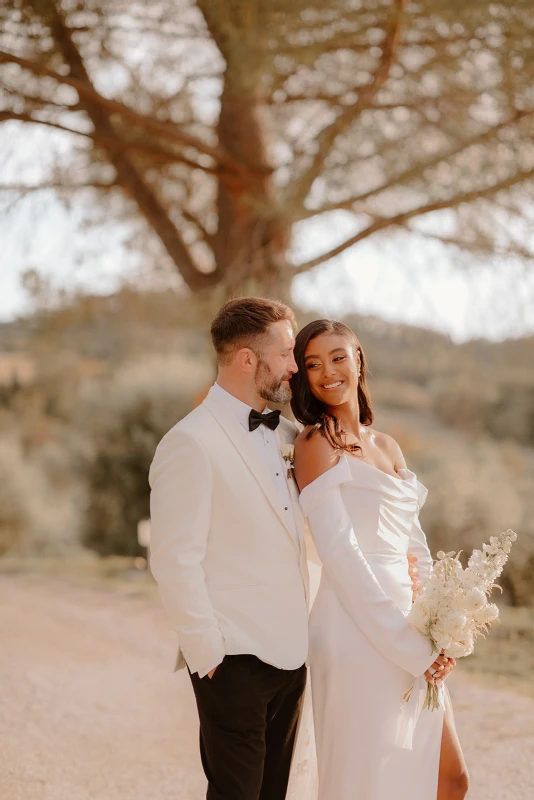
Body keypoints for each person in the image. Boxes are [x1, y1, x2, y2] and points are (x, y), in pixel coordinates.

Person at [290, 319, 469, 800]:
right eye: (313, 364)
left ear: (359, 359)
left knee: (450, 780)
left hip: (413, 629)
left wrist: (438, 626)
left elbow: (417, 545)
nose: (327, 371)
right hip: (352, 633)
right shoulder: (313, 446)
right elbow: (342, 558)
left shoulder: (387, 446)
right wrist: (413, 649)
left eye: (337, 357)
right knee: (367, 785)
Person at [148, 297, 309, 800]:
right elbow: (175, 559)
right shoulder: (190, 442)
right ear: (246, 359)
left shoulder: (290, 435)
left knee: (272, 793)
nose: (295, 366)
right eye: (286, 353)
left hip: (293, 654)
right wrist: (208, 653)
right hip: (232, 658)